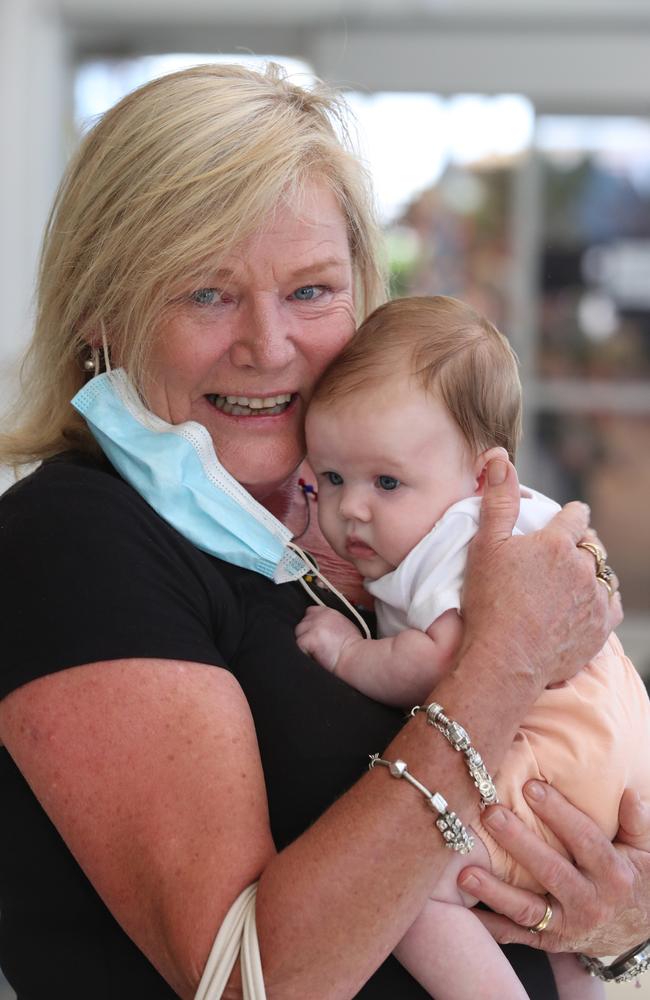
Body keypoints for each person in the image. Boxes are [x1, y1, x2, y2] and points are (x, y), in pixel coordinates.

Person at [0, 63, 647, 1000]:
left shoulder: (347, 524)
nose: (269, 345)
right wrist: (503, 656)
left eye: (310, 292)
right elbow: (248, 982)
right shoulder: (70, 538)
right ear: (101, 310)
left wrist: (617, 913)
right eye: (206, 294)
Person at [295, 294, 650, 998]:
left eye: (386, 482)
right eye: (331, 479)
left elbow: (434, 660)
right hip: (614, 753)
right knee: (568, 919)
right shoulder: (524, 514)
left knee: (410, 885)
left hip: (552, 756)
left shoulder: (454, 542)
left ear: (483, 478)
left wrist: (344, 652)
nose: (351, 509)